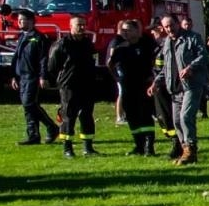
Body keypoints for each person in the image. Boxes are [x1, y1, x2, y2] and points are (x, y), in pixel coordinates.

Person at [157, 12, 208, 165]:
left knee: (186, 117)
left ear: (177, 23)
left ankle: (191, 149)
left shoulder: (193, 38)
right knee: (177, 121)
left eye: (171, 25)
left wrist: (190, 67)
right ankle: (185, 150)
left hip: (191, 85)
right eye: (166, 27)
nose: (169, 29)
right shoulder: (166, 42)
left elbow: (204, 56)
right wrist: (156, 82)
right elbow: (166, 67)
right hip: (175, 87)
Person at [47, 15, 99, 157]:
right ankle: (67, 149)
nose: (82, 27)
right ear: (70, 26)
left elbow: (93, 61)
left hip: (87, 85)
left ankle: (88, 148)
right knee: (69, 117)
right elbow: (52, 66)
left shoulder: (88, 43)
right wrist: (59, 80)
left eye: (83, 25)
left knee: (87, 116)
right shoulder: (62, 44)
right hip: (69, 86)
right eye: (78, 25)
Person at [11, 9, 60, 146]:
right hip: (21, 76)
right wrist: (13, 76)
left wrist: (43, 76)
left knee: (29, 103)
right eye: (18, 20)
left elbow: (44, 59)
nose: (19, 22)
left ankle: (52, 127)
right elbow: (16, 58)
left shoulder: (39, 38)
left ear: (31, 21)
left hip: (32, 75)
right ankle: (33, 135)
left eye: (22, 20)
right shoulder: (21, 37)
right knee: (27, 107)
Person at [109, 19, 158, 155]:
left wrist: (153, 76)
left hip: (144, 85)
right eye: (124, 30)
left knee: (145, 114)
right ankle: (139, 145)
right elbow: (110, 64)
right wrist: (117, 78)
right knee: (132, 115)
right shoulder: (120, 48)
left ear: (137, 31)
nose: (125, 32)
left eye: (129, 30)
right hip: (128, 86)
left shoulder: (147, 44)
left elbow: (157, 60)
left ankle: (149, 146)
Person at [149, 23, 179, 159]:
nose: (152, 33)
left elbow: (166, 68)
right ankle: (174, 140)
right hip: (157, 86)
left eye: (154, 30)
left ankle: (177, 144)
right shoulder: (156, 46)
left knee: (169, 116)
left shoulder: (168, 45)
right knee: (161, 117)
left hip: (166, 86)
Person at [179, 14, 208, 117]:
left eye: (189, 24)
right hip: (181, 74)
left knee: (200, 94)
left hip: (194, 72)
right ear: (181, 25)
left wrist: (191, 67)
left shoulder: (195, 37)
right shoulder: (177, 38)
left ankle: (203, 112)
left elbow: (203, 55)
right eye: (185, 24)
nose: (187, 26)